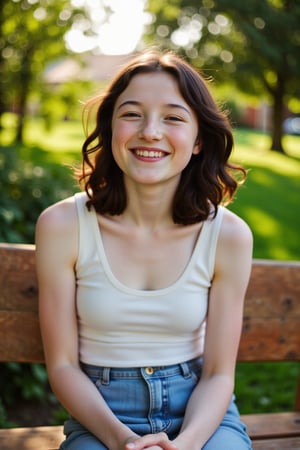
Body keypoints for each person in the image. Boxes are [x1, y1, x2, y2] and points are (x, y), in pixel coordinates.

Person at [36, 49, 253, 450]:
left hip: (202, 414)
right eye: (132, 113)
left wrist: (187, 444)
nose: (150, 131)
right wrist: (122, 440)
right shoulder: (63, 226)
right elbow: (63, 366)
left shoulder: (228, 235)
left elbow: (220, 374)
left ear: (199, 139)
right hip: (102, 414)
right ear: (111, 127)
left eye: (172, 117)